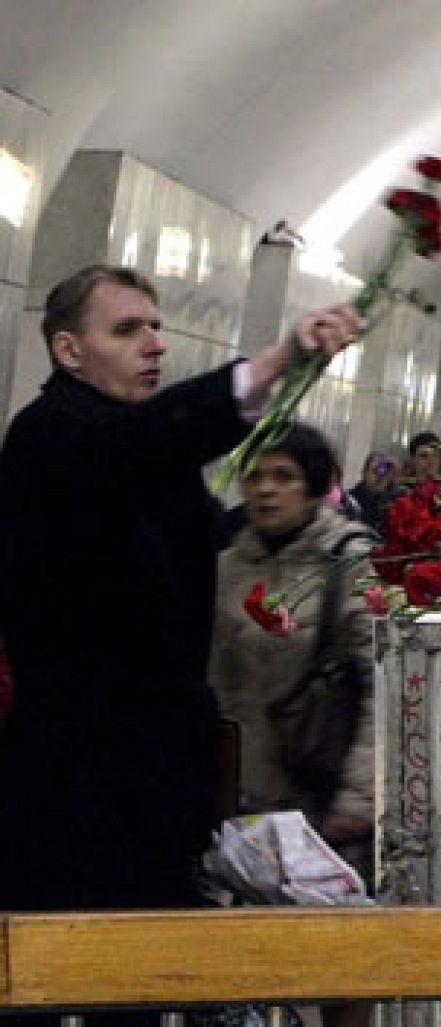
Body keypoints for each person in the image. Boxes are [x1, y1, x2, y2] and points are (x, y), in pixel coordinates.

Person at [0, 264, 359, 918]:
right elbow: (141, 444)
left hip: (155, 784)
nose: (155, 344)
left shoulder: (140, 447)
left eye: (156, 327)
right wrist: (276, 361)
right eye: (127, 330)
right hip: (78, 791)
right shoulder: (48, 434)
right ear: (69, 350)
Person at [210, 423, 376, 873]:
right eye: (255, 477)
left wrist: (359, 798)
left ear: (314, 487)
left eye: (284, 477)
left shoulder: (350, 563)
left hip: (321, 801)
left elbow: (380, 684)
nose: (266, 490)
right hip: (242, 803)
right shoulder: (228, 566)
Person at [349, 450, 402, 532]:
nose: (380, 477)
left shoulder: (395, 501)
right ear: (364, 473)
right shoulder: (349, 500)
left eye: (385, 473)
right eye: (375, 471)